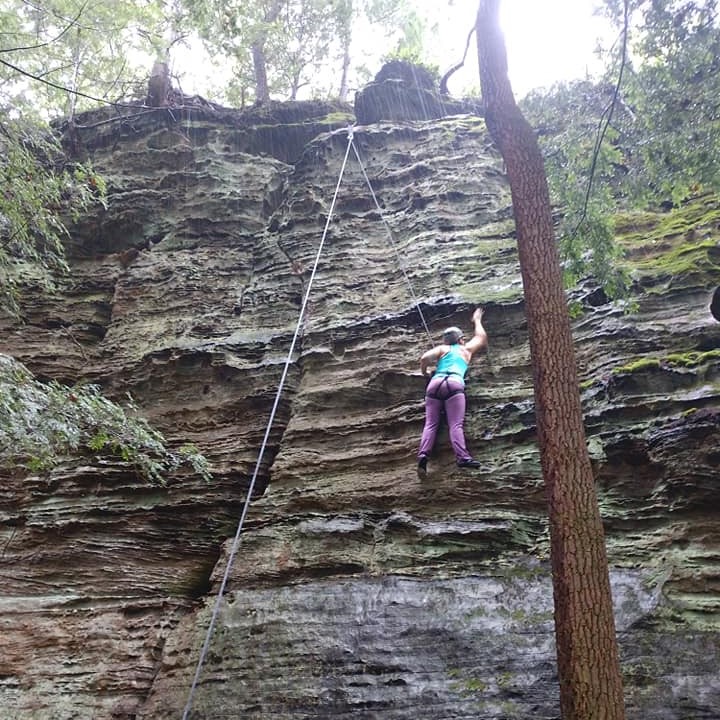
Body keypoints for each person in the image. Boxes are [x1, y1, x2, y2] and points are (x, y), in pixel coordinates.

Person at [417, 307, 487, 478]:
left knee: (431, 424)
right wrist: (477, 319)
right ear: (461, 340)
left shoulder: (443, 349)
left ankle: (423, 455)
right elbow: (481, 338)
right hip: (454, 383)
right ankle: (462, 458)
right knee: (455, 424)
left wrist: (425, 373)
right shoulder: (466, 349)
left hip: (435, 384)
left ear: (446, 340)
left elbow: (424, 358)